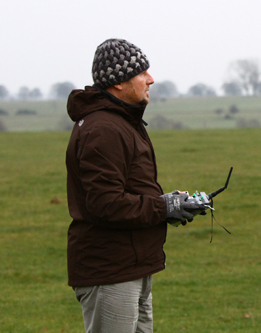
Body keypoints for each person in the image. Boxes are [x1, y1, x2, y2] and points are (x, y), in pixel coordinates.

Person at [65, 38, 204, 333]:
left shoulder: (122, 123)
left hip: (130, 264)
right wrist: (164, 206)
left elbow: (128, 192)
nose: (151, 79)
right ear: (117, 83)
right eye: (142, 73)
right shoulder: (104, 129)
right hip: (110, 268)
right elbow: (107, 204)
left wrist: (169, 203)